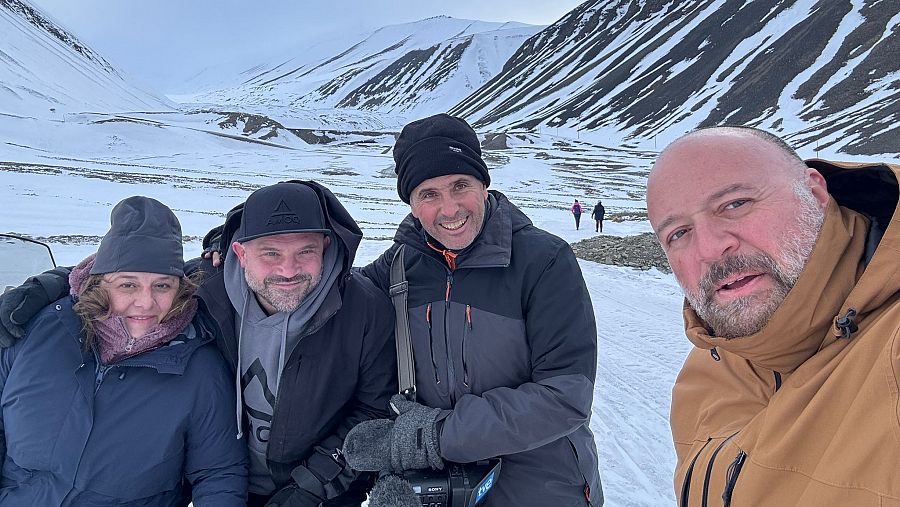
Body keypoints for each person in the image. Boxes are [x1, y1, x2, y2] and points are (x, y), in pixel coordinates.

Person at [0, 182, 397, 507]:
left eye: (305, 252)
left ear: (325, 247)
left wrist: (310, 488)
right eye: (271, 253)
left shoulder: (363, 309)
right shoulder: (209, 288)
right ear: (239, 253)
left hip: (325, 493)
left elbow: (373, 409)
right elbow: (131, 268)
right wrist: (46, 287)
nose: (288, 269)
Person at [343, 113, 603, 506]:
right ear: (411, 204)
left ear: (484, 185)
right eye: (428, 194)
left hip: (540, 489)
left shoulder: (543, 261)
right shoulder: (397, 269)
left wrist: (434, 436)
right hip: (445, 490)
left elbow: (564, 399)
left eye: (459, 186)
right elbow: (328, 293)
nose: (449, 209)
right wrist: (230, 262)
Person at [646, 126, 900, 505]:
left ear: (814, 192)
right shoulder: (708, 366)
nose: (711, 248)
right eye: (679, 233)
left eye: (735, 204)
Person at [0, 196, 247, 505]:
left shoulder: (199, 367)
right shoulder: (39, 331)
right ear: (99, 284)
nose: (145, 303)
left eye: (162, 286)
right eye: (127, 285)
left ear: (180, 289)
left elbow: (219, 473)